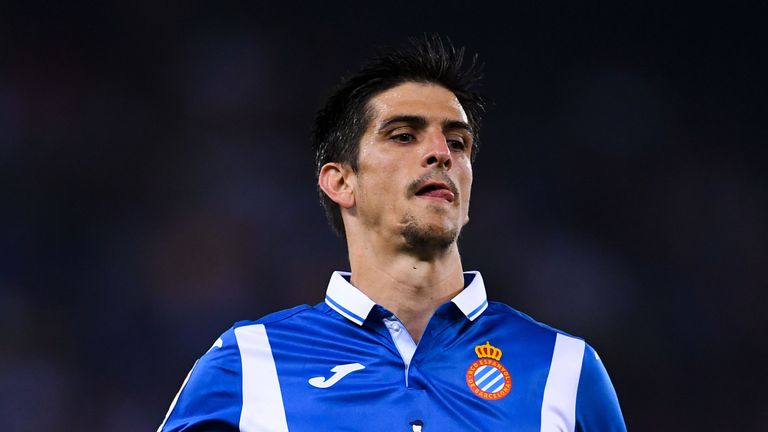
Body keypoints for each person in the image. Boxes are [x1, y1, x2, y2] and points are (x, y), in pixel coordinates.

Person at [158, 35, 626, 432]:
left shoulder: (564, 369)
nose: (441, 153)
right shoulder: (248, 364)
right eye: (404, 135)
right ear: (341, 181)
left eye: (458, 142)